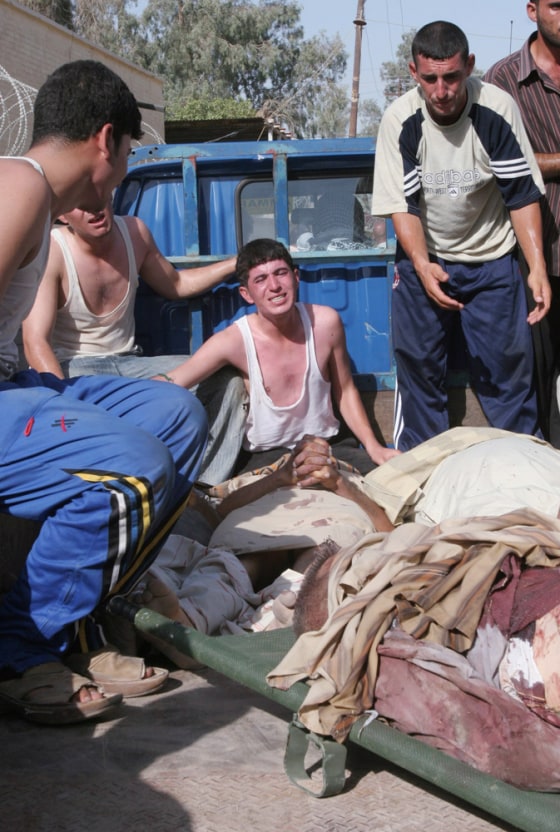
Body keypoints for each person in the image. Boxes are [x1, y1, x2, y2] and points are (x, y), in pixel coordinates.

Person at [0, 60, 208, 725]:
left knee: (176, 414)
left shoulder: (33, 197)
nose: (121, 174)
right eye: (126, 158)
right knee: (137, 466)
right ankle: (20, 645)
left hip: (17, 385)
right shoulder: (21, 189)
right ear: (106, 140)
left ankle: (85, 625)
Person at [371, 20, 551, 451]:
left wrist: (538, 267)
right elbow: (403, 207)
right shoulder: (399, 120)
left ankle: (525, 472)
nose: (442, 90)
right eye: (430, 78)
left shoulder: (497, 108)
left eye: (452, 77)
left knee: (510, 373)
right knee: (417, 369)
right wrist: (421, 265)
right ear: (413, 72)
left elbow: (521, 195)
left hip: (492, 259)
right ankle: (424, 476)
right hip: (424, 259)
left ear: (469, 66)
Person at [21, 202, 246, 484]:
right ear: (63, 216)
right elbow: (35, 341)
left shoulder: (134, 232)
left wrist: (237, 263)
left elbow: (175, 284)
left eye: (99, 196)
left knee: (226, 378)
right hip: (75, 369)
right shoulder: (52, 250)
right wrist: (63, 407)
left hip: (131, 362)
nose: (94, 209)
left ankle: (199, 490)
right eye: (80, 204)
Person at [160, 237, 400, 474]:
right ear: (246, 294)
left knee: (391, 484)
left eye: (281, 273)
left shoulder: (325, 323)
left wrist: (374, 446)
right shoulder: (234, 341)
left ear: (296, 278)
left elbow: (345, 390)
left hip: (328, 447)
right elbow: (172, 382)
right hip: (266, 460)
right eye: (261, 279)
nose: (274, 286)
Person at [483, 1, 560, 445]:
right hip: (537, 263)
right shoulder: (502, 82)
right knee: (536, 384)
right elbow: (500, 166)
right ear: (532, 11)